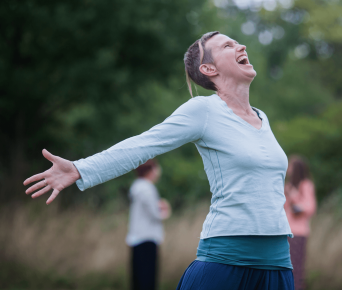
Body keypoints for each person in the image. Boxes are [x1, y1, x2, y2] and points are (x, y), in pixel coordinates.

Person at [24, 31, 295, 290]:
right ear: (209, 69)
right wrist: (80, 168)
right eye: (227, 46)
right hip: (226, 262)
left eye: (236, 42)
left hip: (279, 264)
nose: (241, 47)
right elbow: (144, 144)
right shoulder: (205, 110)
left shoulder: (263, 118)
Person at [128, 159, 171, 290]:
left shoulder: (137, 186)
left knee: (138, 278)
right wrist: (165, 211)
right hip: (147, 238)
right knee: (147, 279)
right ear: (150, 170)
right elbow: (155, 213)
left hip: (137, 238)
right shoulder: (146, 188)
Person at [284, 156, 316, 290]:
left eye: (290, 165)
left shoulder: (305, 185)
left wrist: (294, 196)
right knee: (285, 268)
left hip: (298, 233)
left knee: (296, 269)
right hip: (286, 231)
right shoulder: (288, 186)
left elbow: (309, 207)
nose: (288, 168)